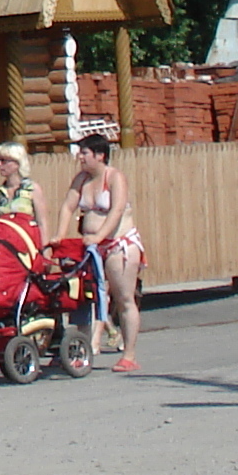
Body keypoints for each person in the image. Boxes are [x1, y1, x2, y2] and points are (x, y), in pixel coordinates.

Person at [66, 130, 143, 372]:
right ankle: (83, 350)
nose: (81, 157)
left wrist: (100, 236)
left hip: (118, 244)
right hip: (91, 246)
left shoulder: (115, 177)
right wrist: (58, 235)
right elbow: (67, 207)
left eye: (85, 153)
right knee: (84, 299)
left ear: (100, 155)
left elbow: (116, 211)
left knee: (123, 298)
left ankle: (129, 355)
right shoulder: (81, 179)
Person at [0, 142, 44, 242]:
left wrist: (45, 251)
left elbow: (42, 223)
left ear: (18, 163)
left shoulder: (32, 189)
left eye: (4, 161)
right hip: (5, 247)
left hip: (27, 244)